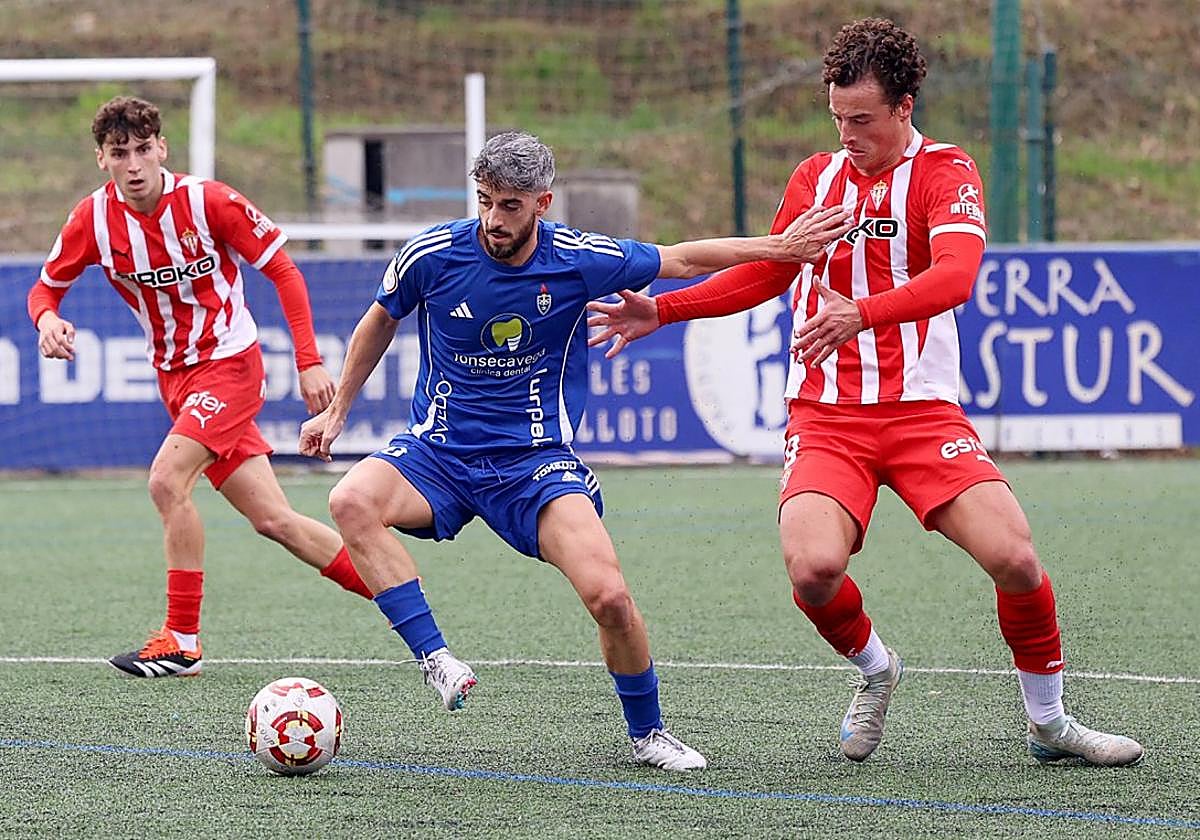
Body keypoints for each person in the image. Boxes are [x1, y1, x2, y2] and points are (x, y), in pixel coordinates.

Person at [587, 18, 1144, 767]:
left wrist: (861, 313)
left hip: (921, 413)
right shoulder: (815, 180)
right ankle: (878, 671)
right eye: (837, 117)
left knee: (1014, 557)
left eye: (863, 119)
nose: (846, 133)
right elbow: (769, 271)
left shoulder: (947, 173)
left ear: (905, 107)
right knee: (813, 570)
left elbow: (957, 277)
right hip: (825, 418)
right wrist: (665, 307)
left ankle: (1049, 724)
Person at [297, 130, 851, 771]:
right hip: (439, 453)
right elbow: (380, 317)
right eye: (484, 202)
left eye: (509, 205)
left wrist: (778, 247)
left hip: (535, 462)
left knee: (609, 597)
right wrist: (339, 407)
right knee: (351, 500)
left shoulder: (578, 258)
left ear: (542, 202)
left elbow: (683, 260)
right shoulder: (432, 254)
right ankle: (436, 659)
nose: (493, 220)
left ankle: (647, 734)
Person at [28, 96, 373, 678]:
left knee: (166, 481)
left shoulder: (208, 201)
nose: (133, 164)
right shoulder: (91, 219)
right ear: (101, 159)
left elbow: (283, 269)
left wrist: (310, 362)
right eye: (120, 154)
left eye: (143, 149)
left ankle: (181, 640)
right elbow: (44, 289)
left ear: (162, 147)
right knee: (275, 521)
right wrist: (47, 322)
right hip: (176, 380)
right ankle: (399, 592)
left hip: (231, 367)